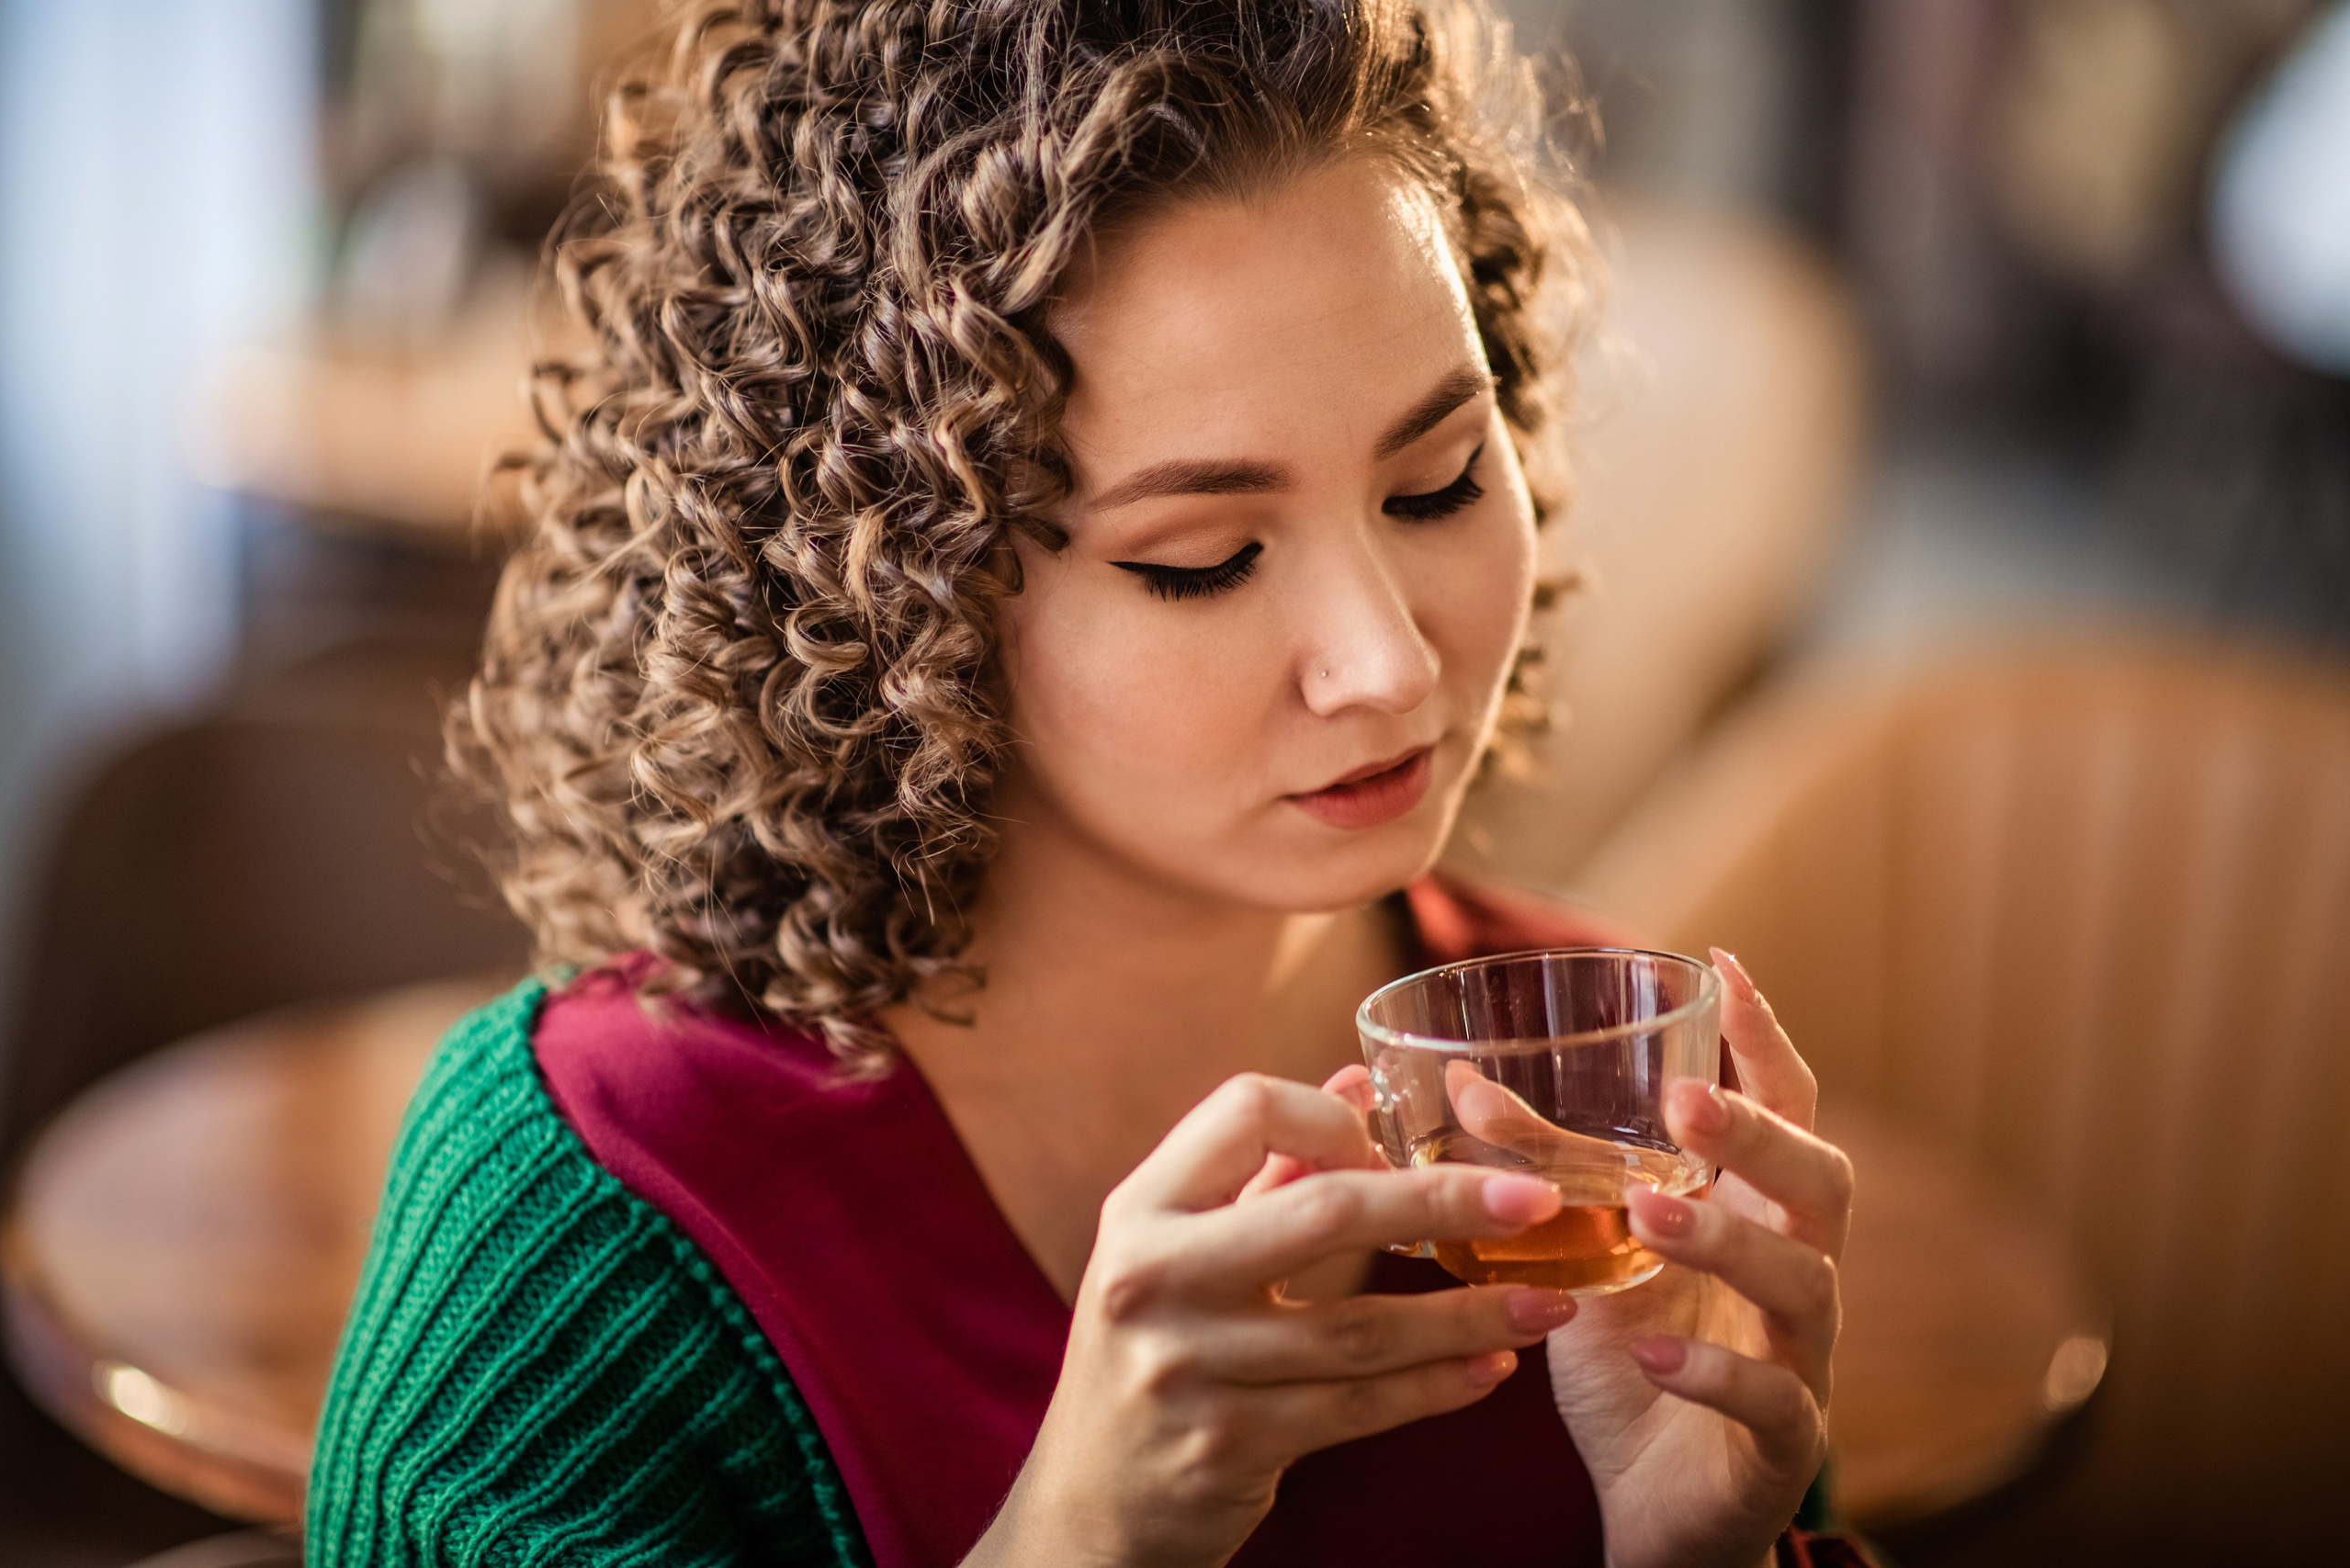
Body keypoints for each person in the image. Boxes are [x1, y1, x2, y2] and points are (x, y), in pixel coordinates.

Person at [308, 1, 1866, 1564]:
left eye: (1441, 480)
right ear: (898, 602)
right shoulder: (594, 1221)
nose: (1386, 662)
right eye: (1205, 561)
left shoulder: (1605, 1088)